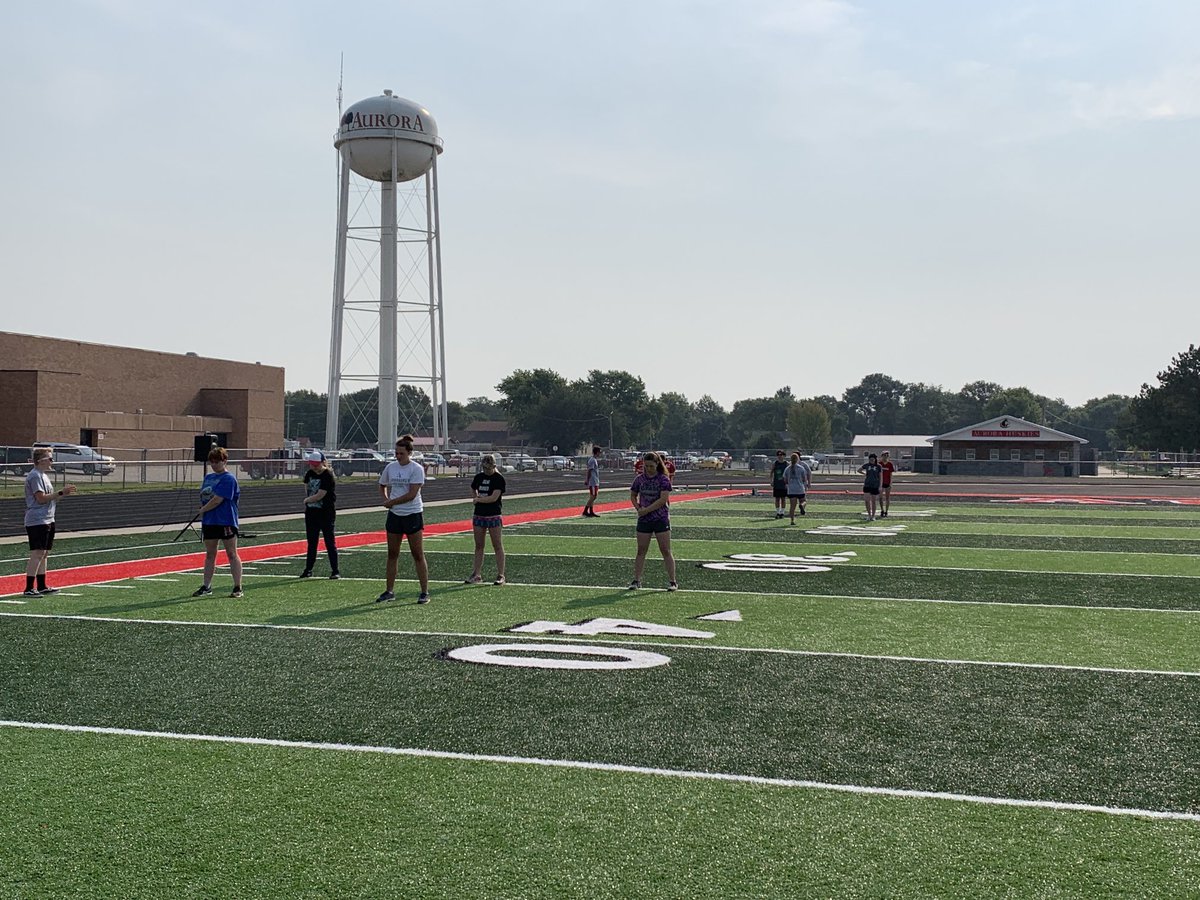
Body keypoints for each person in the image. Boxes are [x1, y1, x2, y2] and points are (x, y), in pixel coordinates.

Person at [377, 434, 430, 604]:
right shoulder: (391, 468)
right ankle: (389, 591)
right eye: (396, 453)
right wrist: (386, 499)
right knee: (392, 554)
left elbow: (412, 494)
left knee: (417, 554)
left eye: (402, 453)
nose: (398, 456)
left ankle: (424, 592)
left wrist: (392, 502)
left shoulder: (416, 469)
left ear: (409, 453)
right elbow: (382, 484)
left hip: (412, 514)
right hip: (395, 515)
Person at [23, 448, 76, 597]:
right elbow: (40, 498)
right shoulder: (35, 476)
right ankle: (28, 587)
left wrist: (62, 494)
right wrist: (60, 492)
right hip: (37, 519)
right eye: (50, 459)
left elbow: (50, 498)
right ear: (40, 461)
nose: (52, 461)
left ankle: (41, 585)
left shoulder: (43, 476)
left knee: (44, 553)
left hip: (47, 518)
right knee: (37, 553)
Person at [193, 446, 244, 598]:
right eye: (212, 462)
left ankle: (237, 587)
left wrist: (203, 509)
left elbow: (217, 500)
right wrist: (204, 508)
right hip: (210, 521)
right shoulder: (208, 478)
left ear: (224, 461)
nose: (214, 464)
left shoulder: (229, 479)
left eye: (217, 461)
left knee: (231, 553)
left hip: (226, 520)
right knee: (210, 553)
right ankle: (207, 586)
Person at [628, 452, 677, 592]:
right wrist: (638, 507)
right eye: (646, 466)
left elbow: (663, 500)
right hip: (644, 519)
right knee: (641, 550)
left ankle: (672, 581)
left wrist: (647, 509)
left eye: (651, 466)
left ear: (657, 465)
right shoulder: (639, 479)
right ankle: (636, 580)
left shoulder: (663, 479)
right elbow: (633, 495)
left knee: (665, 550)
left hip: (660, 518)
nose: (648, 468)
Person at [464, 454, 507, 586]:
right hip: (479, 514)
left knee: (497, 545)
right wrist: (475, 496)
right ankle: (476, 574)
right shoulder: (479, 477)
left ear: (494, 467)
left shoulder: (498, 479)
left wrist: (478, 500)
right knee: (479, 546)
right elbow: (473, 487)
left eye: (489, 468)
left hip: (493, 514)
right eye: (485, 468)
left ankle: (501, 574)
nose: (487, 470)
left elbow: (494, 497)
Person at [300, 450, 340, 579]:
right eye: (312, 464)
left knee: (329, 541)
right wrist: (309, 500)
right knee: (312, 542)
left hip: (326, 512)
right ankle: (308, 569)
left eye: (316, 464)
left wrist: (307, 500)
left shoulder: (327, 475)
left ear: (322, 463)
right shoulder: (309, 473)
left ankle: (335, 570)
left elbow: (320, 494)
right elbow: (306, 488)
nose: (314, 467)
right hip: (312, 513)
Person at [784, 452, 811, 524]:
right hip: (799, 488)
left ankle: (792, 520)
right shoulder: (801, 468)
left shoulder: (787, 469)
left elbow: (785, 480)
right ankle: (801, 505)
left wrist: (788, 484)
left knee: (792, 506)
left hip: (791, 489)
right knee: (804, 500)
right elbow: (804, 479)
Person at [858, 453, 883, 521]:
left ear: (875, 459)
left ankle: (873, 516)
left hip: (875, 485)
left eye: (873, 459)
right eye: (870, 459)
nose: (872, 460)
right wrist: (864, 474)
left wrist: (880, 486)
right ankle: (869, 515)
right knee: (867, 501)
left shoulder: (878, 466)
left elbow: (881, 476)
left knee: (874, 501)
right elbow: (859, 470)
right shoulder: (866, 465)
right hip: (867, 484)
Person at [583, 445, 603, 517]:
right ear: (597, 452)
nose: (600, 454)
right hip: (593, 481)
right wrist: (587, 480)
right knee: (593, 496)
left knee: (593, 496)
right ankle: (585, 511)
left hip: (595, 480)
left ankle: (591, 511)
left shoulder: (594, 460)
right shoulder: (592, 460)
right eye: (599, 452)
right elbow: (589, 471)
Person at [769, 450, 789, 519]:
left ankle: (782, 512)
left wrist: (788, 482)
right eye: (778, 455)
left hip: (783, 484)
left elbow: (789, 473)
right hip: (777, 483)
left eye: (781, 455)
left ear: (784, 456)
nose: (780, 456)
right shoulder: (775, 463)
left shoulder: (786, 464)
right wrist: (771, 481)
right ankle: (777, 512)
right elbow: (771, 472)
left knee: (783, 499)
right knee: (777, 499)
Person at [879, 451, 896, 518]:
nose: (885, 457)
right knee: (880, 497)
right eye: (884, 455)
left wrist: (890, 483)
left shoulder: (890, 464)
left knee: (887, 497)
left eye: (886, 455)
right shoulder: (879, 464)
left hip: (887, 482)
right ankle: (882, 510)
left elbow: (891, 474)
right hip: (881, 483)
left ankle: (886, 511)